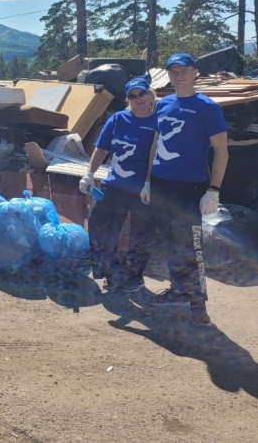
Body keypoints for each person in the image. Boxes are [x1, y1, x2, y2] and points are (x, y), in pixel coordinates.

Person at [141, 53, 228, 327]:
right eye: (173, 70)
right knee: (169, 241)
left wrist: (214, 189)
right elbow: (156, 143)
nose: (178, 74)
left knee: (191, 245)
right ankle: (178, 291)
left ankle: (198, 305)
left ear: (195, 73)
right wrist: (147, 180)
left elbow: (222, 152)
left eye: (183, 70)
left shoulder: (207, 107)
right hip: (162, 184)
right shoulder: (163, 104)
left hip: (190, 187)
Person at [80, 77, 157, 295]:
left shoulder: (160, 122)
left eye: (142, 93)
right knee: (99, 226)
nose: (138, 99)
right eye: (132, 96)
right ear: (128, 100)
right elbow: (101, 149)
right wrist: (89, 174)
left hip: (144, 190)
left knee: (142, 234)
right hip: (114, 185)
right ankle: (111, 274)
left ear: (150, 95)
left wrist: (151, 184)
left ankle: (132, 278)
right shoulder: (118, 119)